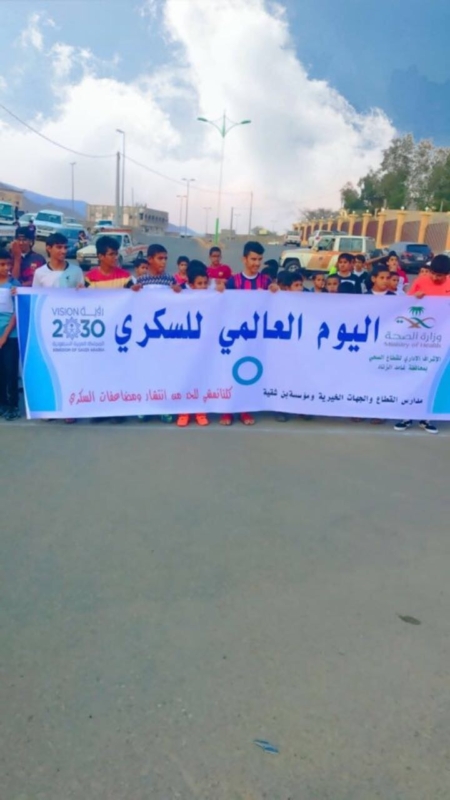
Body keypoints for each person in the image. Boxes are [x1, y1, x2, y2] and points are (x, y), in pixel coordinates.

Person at [221, 241, 278, 426]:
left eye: (260, 259)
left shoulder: (266, 282)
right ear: (244, 259)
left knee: (249, 373)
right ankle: (228, 410)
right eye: (253, 259)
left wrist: (276, 292)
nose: (257, 263)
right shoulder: (233, 282)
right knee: (230, 372)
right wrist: (219, 292)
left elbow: (275, 306)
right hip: (235, 335)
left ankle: (245, 409)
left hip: (256, 337)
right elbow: (223, 305)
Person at [394, 253, 450, 435]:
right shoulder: (420, 281)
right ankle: (406, 415)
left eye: (440, 276)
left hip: (441, 340)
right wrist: (414, 298)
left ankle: (426, 418)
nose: (436, 278)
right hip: (417, 338)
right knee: (411, 374)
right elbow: (404, 306)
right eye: (433, 273)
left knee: (432, 377)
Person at [177, 262, 210, 428]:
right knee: (185, 376)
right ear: (190, 285)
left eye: (205, 283)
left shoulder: (212, 296)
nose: (203, 287)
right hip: (185, 344)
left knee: (201, 378)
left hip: (204, 346)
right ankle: (183, 411)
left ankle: (200, 411)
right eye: (199, 283)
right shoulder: (181, 296)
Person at [0, 249, 20, 420]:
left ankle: (13, 405)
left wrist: (4, 336)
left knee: (10, 371)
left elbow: (16, 313)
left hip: (10, 335)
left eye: (9, 264)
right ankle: (2, 403)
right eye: (2, 264)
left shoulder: (14, 285)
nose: (6, 268)